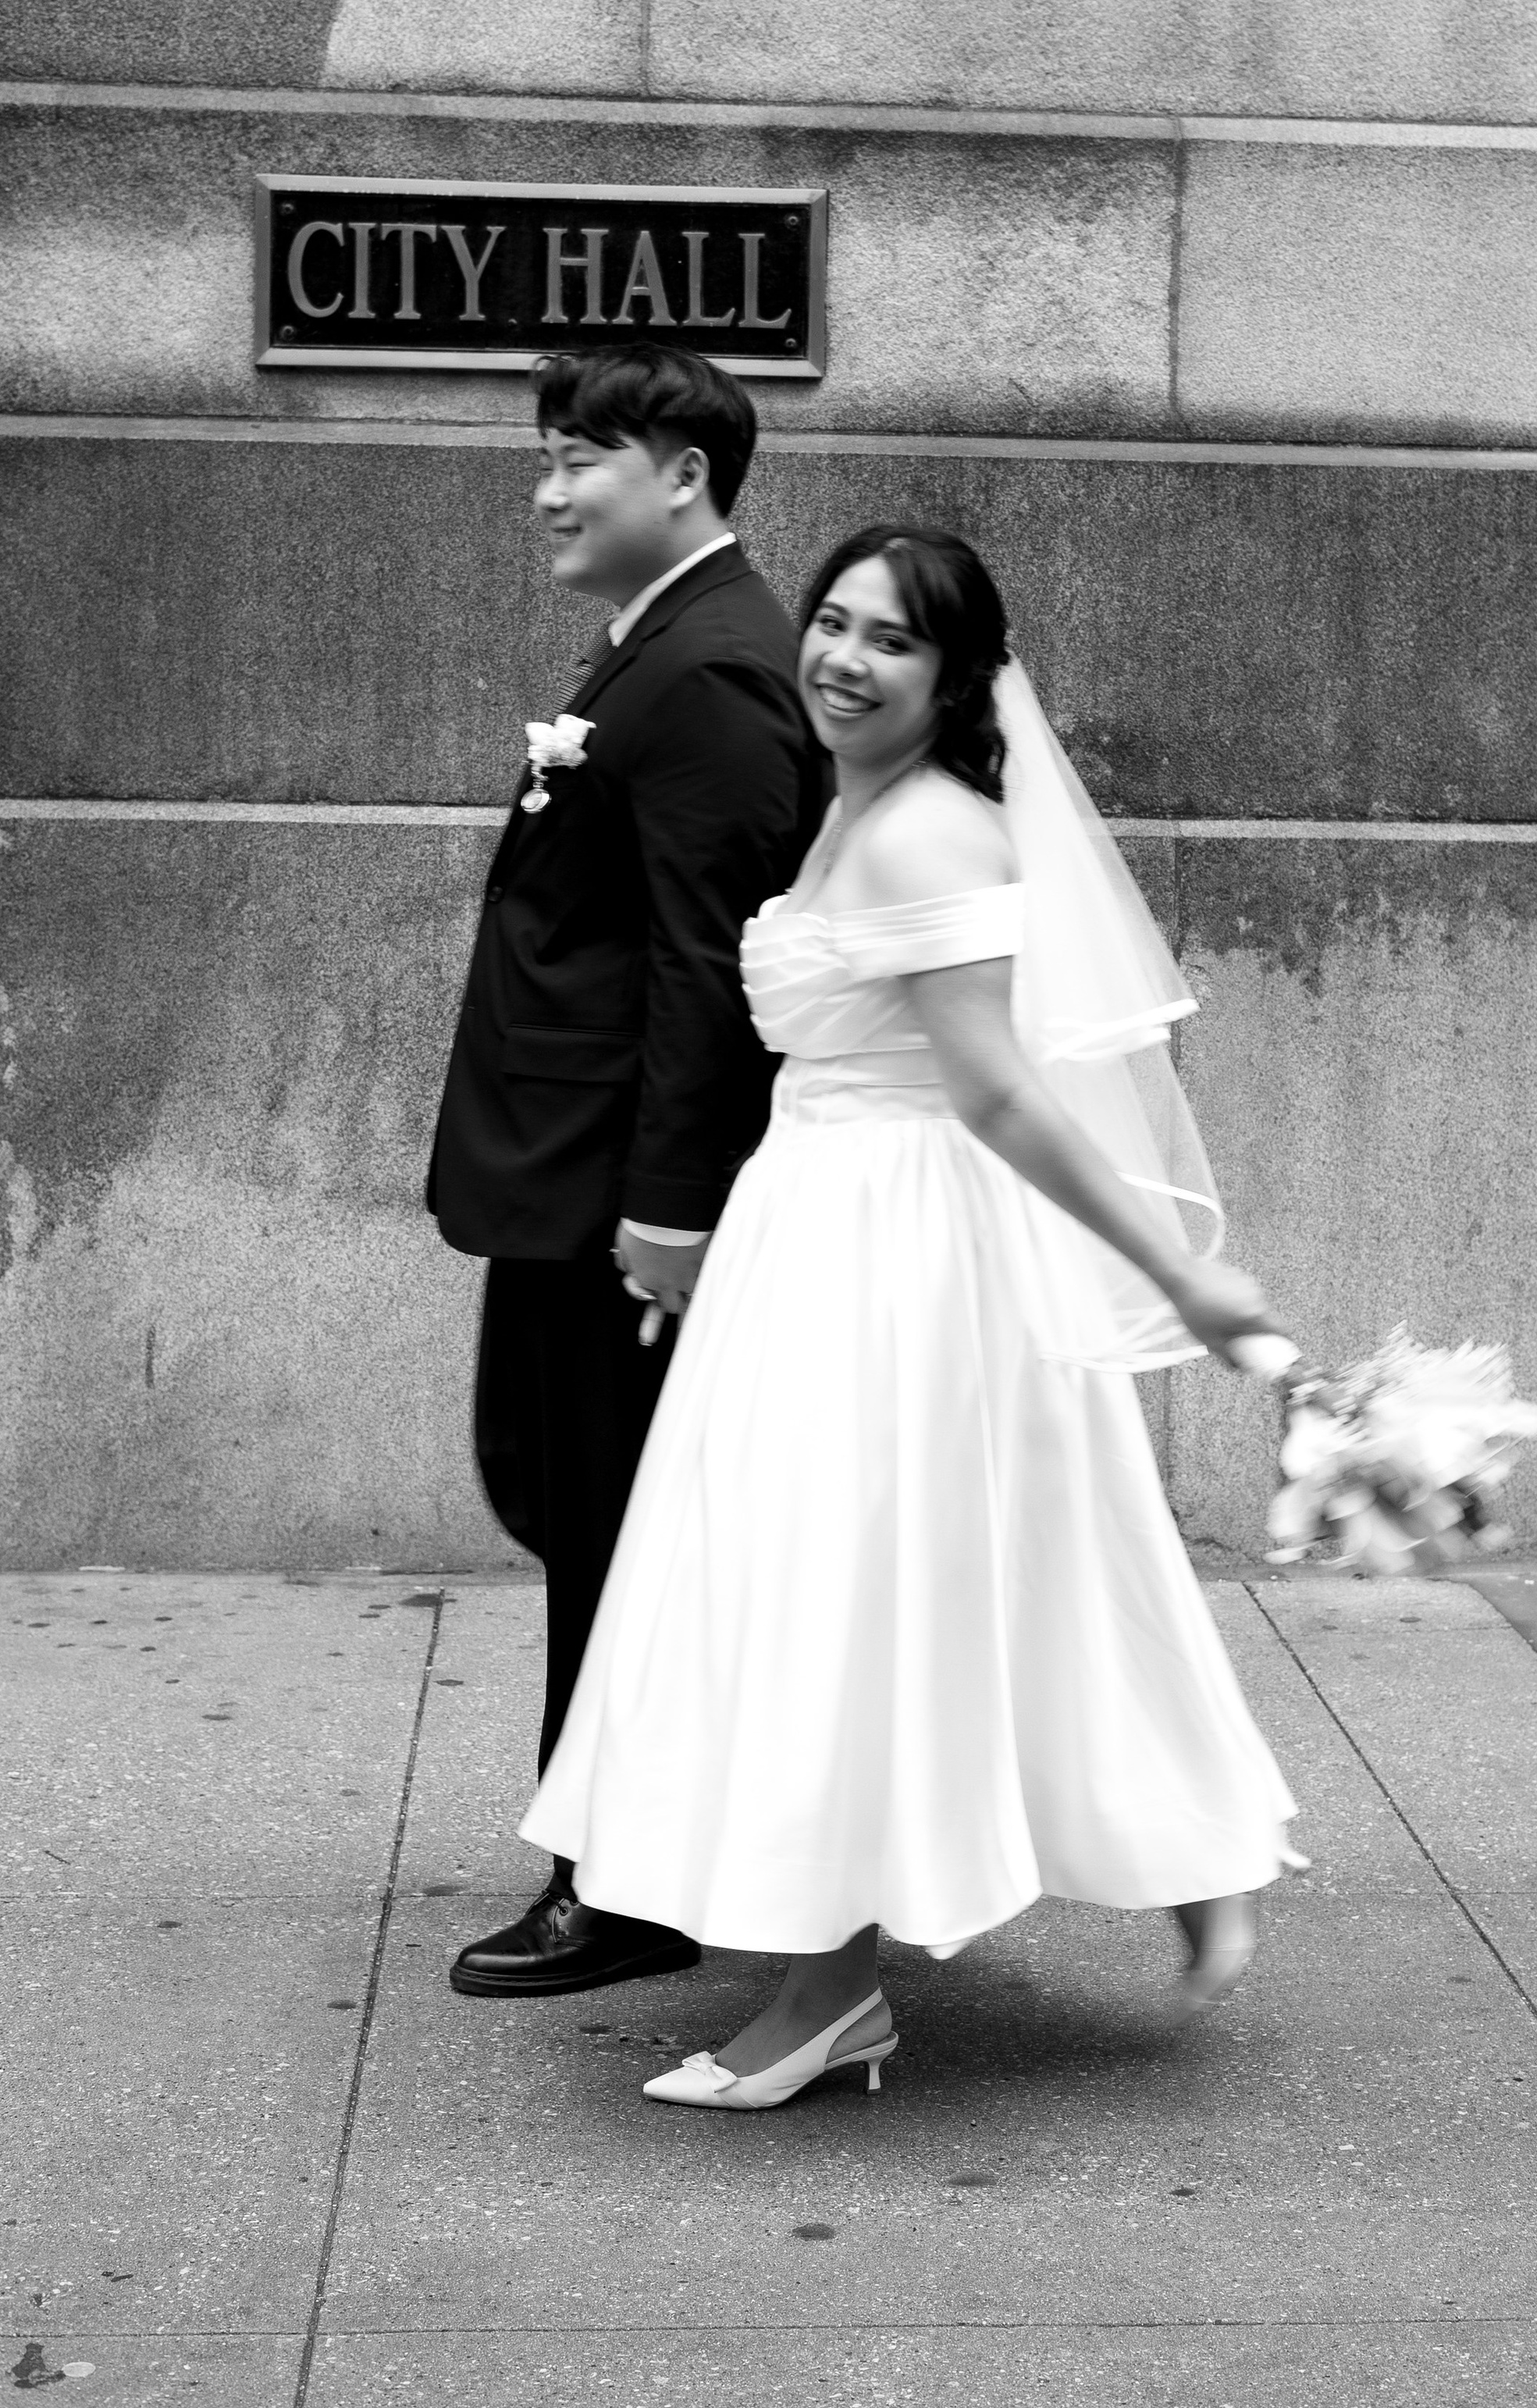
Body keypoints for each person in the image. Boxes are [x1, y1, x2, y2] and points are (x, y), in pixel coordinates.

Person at [523, 525, 1297, 2103]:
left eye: (889, 641)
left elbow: (1003, 1095)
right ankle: (1163, 1858)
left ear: (953, 683)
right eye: (831, 623)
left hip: (897, 1263)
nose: (841, 657)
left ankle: (827, 1993)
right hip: (816, 1224)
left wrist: (1178, 1273)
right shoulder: (855, 810)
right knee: (938, 1583)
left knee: (849, 1595)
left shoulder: (924, 834)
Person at [428, 342, 821, 2000]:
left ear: (682, 469)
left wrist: (670, 1212)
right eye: (547, 452)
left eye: (578, 453)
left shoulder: (715, 671)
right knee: (561, 1495)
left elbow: (704, 971)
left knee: (611, 1527)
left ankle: (626, 1883)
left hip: (616, 1204)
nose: (546, 486)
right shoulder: (655, 646)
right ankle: (638, 1831)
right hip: (563, 1177)